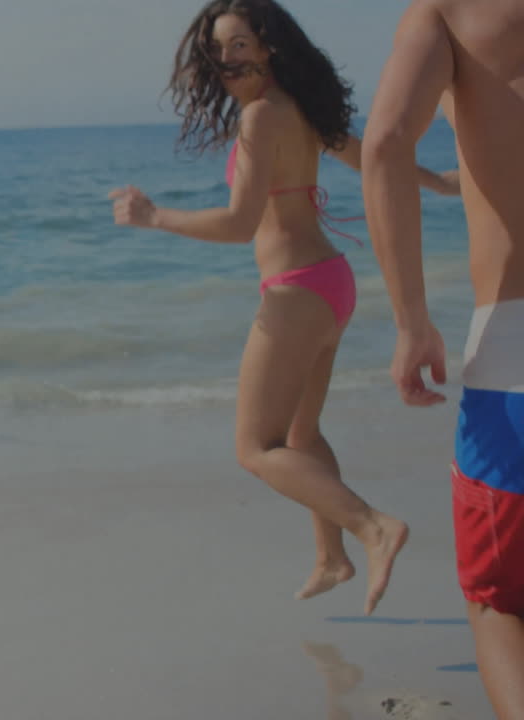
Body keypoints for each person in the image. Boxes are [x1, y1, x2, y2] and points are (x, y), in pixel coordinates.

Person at [108, 0, 457, 614]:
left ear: (269, 48)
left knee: (255, 449)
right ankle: (331, 558)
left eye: (240, 44)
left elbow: (240, 224)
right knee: (300, 433)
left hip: (297, 290)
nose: (226, 58)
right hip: (329, 283)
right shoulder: (298, 107)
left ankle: (374, 527)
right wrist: (444, 183)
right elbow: (373, 156)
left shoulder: (260, 117)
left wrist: (156, 216)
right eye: (218, 48)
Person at [361, 0, 524, 715]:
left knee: (498, 604)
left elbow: (385, 142)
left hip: (514, 361)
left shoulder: (450, 13)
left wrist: (411, 321)